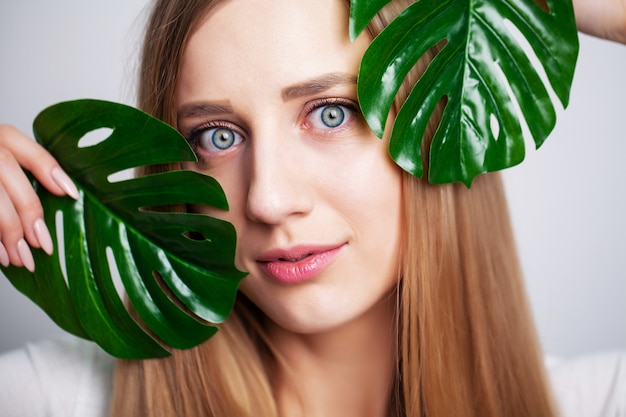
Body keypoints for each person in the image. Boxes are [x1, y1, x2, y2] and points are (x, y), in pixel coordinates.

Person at [0, 0, 625, 416]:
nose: (268, 199)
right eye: (218, 136)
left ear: (436, 124)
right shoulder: (53, 401)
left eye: (331, 113)